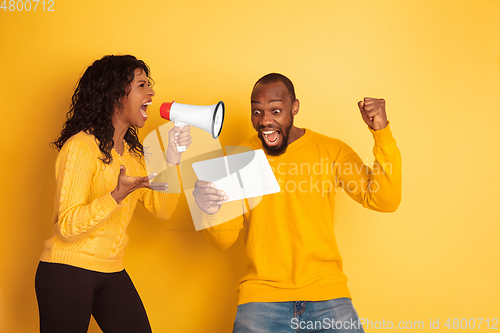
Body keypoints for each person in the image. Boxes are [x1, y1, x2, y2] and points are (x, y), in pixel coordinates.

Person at [193, 73, 402, 332]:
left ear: (295, 108)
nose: (265, 120)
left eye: (276, 110)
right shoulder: (240, 158)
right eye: (257, 112)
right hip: (261, 299)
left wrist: (381, 133)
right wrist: (211, 210)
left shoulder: (331, 151)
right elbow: (222, 241)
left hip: (328, 294)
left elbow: (385, 200)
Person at [35, 55, 191, 333]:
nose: (152, 92)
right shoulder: (81, 147)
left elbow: (162, 209)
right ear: (116, 94)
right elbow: (68, 226)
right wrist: (115, 196)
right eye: (142, 85)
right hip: (66, 271)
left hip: (111, 270)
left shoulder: (132, 155)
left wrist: (172, 158)